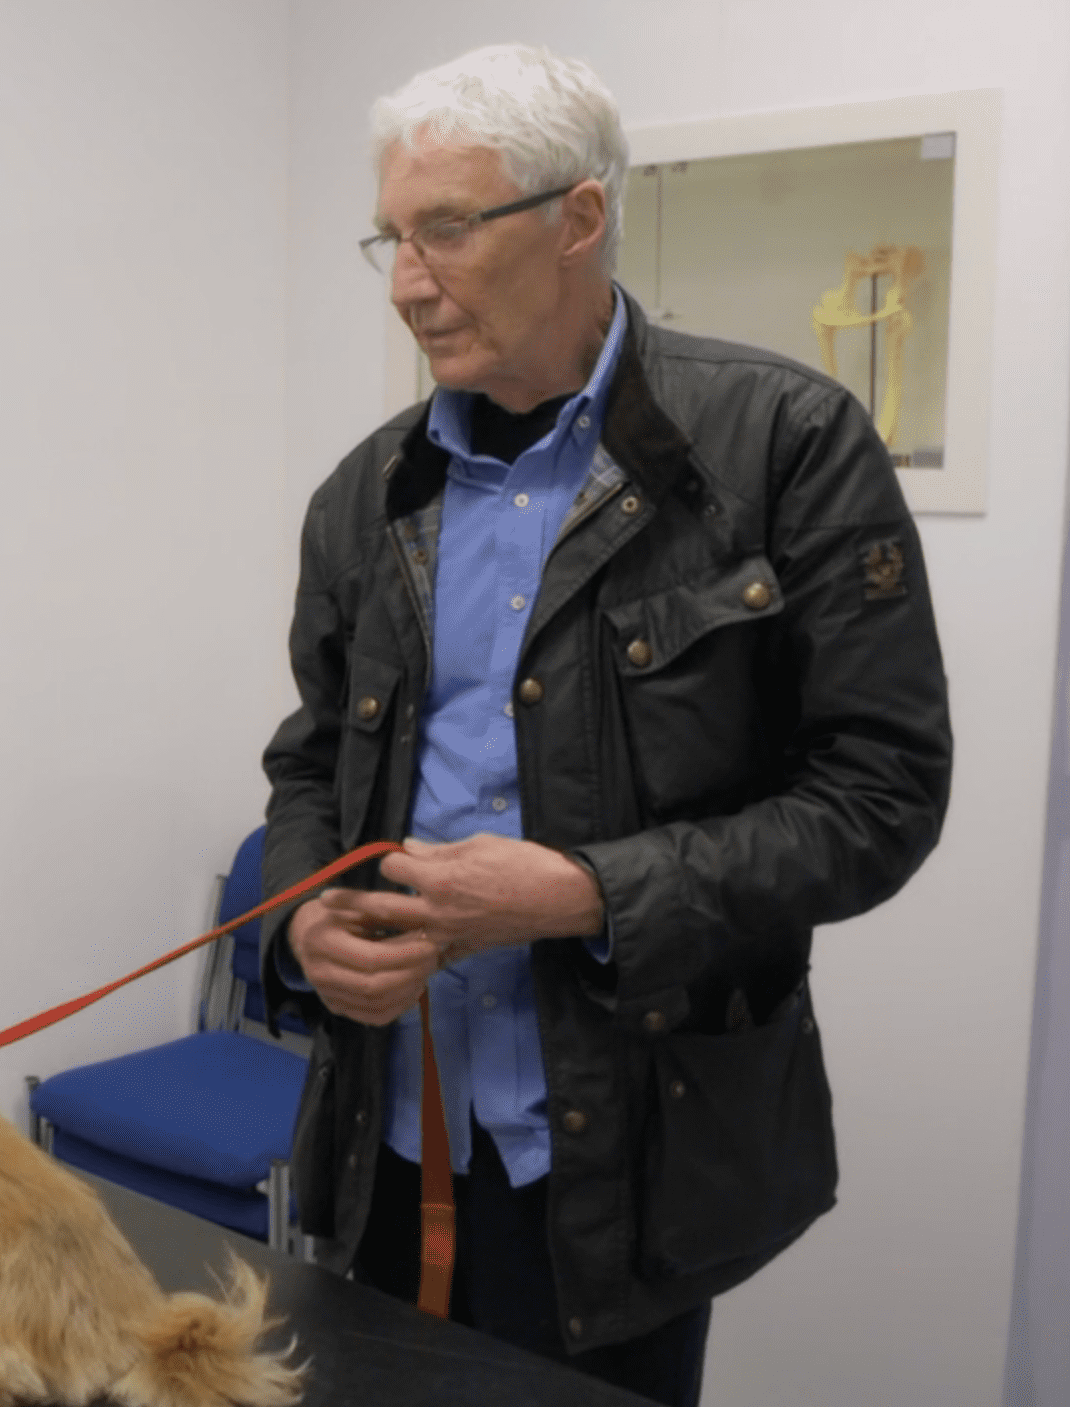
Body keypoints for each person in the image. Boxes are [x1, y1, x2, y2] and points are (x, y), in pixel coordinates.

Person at [257, 44, 950, 1407]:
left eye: (446, 229)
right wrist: (298, 916)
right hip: (386, 1141)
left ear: (578, 218)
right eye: (391, 238)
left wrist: (587, 891)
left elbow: (881, 795)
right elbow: (313, 761)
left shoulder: (785, 443)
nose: (407, 280)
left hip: (629, 1154)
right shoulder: (364, 497)